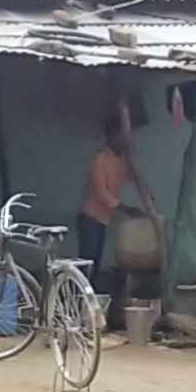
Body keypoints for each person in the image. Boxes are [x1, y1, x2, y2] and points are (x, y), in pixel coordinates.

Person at [79, 99, 161, 335]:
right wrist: (126, 209)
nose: (123, 140)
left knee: (95, 267)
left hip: (103, 220)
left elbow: (134, 177)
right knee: (87, 267)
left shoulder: (123, 159)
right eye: (119, 136)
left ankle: (92, 316)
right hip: (90, 218)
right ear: (110, 136)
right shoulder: (100, 160)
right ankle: (79, 313)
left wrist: (147, 193)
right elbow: (102, 194)